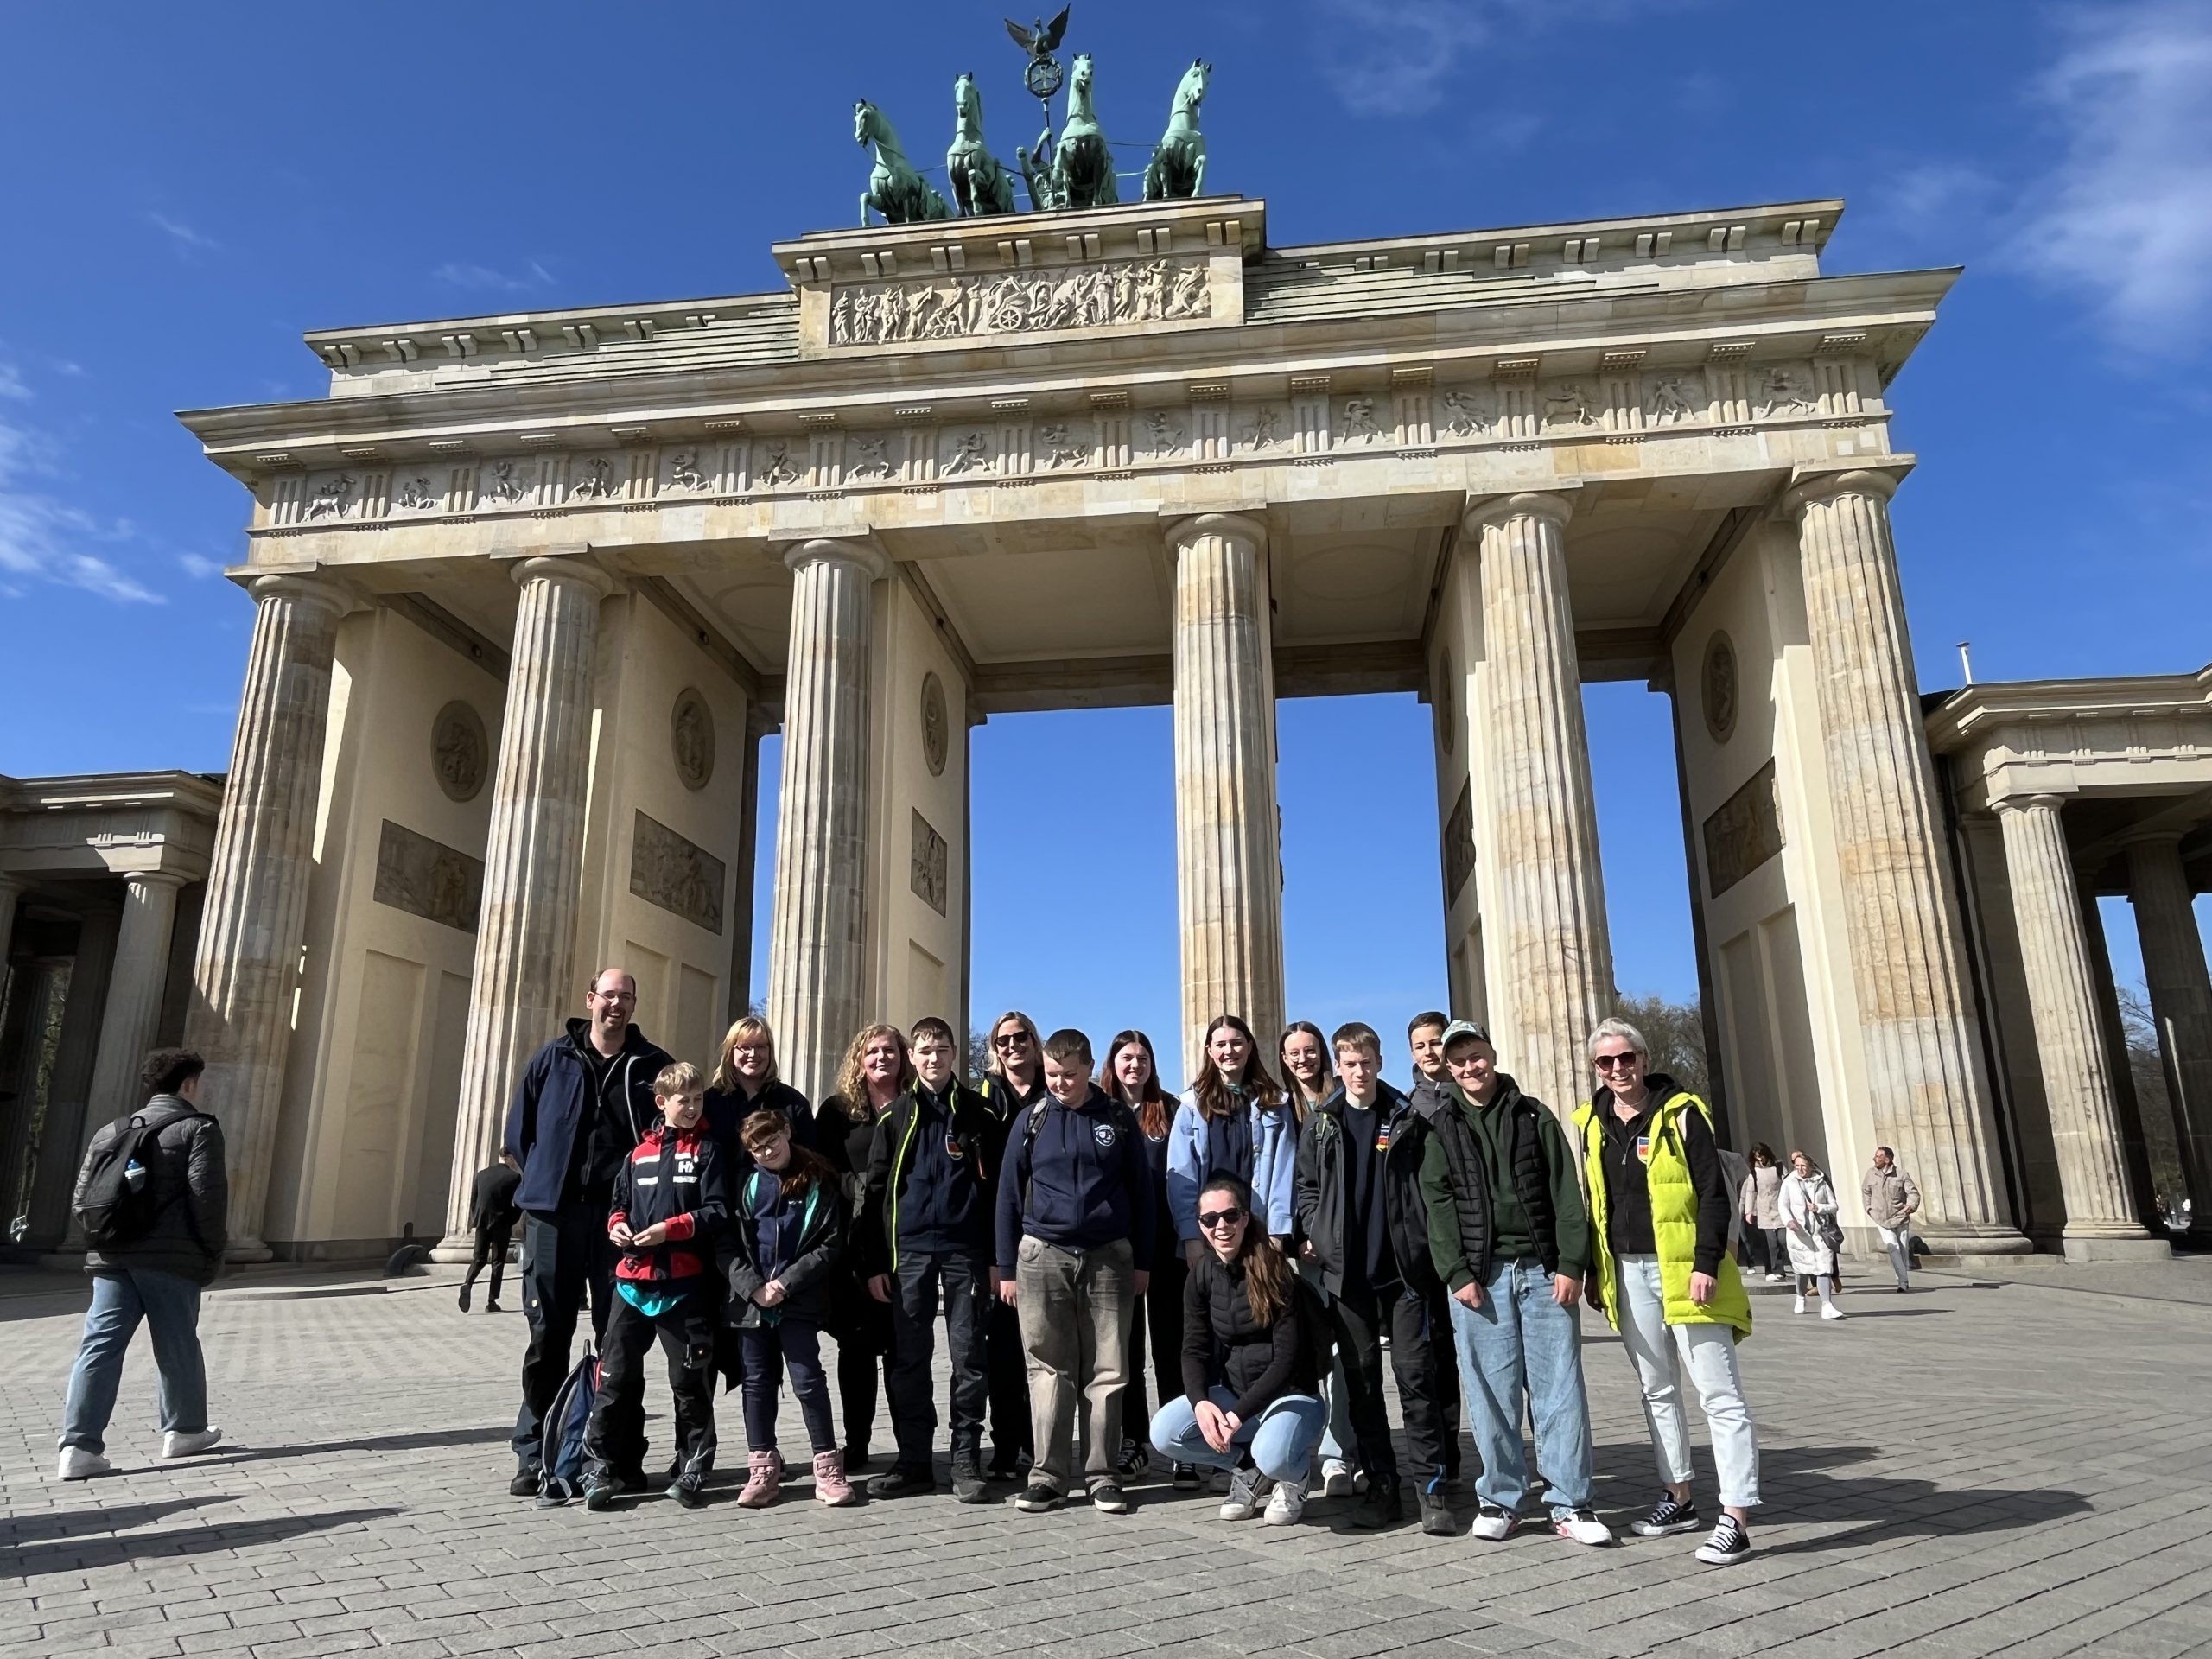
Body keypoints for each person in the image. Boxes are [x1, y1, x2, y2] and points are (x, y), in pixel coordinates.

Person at [1574, 1019, 1761, 1567]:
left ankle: (1736, 1515)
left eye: (1625, 1058)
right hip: (1627, 1270)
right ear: (1595, 1069)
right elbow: (1597, 1204)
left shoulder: (1681, 1112)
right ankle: (1678, 1496)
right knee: (1657, 1389)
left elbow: (1712, 1191)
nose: (1617, 1070)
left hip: (1684, 1267)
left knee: (1718, 1394)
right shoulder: (1591, 1122)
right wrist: (1594, 1270)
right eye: (1605, 1062)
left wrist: (1706, 1263)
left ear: (1644, 1057)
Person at [1418, 1020, 1612, 1546]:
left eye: (1475, 1056)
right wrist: (1456, 1273)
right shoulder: (1441, 1126)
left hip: (1543, 1272)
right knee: (1491, 1393)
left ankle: (1571, 1503)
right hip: (1481, 1280)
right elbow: (1436, 1206)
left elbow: (1565, 1191)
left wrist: (1573, 1263)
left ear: (1492, 1055)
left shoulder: (1535, 1116)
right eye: (1457, 1060)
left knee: (1560, 1391)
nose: (1468, 1068)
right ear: (1448, 1067)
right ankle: (1500, 1498)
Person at [501, 968, 673, 1497]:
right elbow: (519, 1133)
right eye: (608, 995)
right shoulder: (550, 1059)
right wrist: (545, 1182)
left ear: (634, 1004)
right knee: (546, 1334)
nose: (616, 1005)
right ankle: (537, 1453)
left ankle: (619, 1454)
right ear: (590, 1000)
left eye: (626, 996)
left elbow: (667, 1141)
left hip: (620, 1222)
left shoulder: (652, 1067)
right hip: (554, 1216)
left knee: (621, 1339)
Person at [1293, 1021, 1452, 1533]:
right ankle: (1383, 1484)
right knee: (1361, 1385)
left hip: (1403, 1274)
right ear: (1337, 1067)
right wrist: (1317, 1230)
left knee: (1416, 1381)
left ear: (1380, 1063)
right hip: (1347, 1278)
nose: (1358, 1072)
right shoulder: (1321, 1123)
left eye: (1366, 1062)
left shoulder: (1406, 1118)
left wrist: (1426, 1246)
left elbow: (1432, 1187)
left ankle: (1431, 1488)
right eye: (1349, 1064)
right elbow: (1306, 1188)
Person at [995, 1027, 1155, 1515]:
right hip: (1043, 1254)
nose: (1059, 1084)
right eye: (1051, 1075)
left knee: (1108, 1369)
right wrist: (1005, 1267)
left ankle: (1103, 1474)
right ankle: (1047, 1476)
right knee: (1047, 1367)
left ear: (1089, 1069)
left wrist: (1143, 1260)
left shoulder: (1116, 1120)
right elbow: (1007, 1193)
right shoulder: (1032, 1120)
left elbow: (1142, 1193)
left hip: (1109, 1256)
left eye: (1068, 1075)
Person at [57, 1047, 228, 1481]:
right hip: (171, 1257)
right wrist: (211, 1252)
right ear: (189, 1084)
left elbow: (82, 1200)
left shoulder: (108, 1133)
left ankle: (78, 1447)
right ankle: (183, 1430)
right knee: (176, 1343)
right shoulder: (197, 1129)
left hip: (111, 1256)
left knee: (99, 1347)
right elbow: (207, 1198)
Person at [860, 1016, 1007, 1503]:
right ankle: (915, 1460)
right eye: (924, 1050)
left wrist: (995, 1258)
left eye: (942, 1049)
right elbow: (876, 1195)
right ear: (913, 1057)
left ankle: (966, 1456)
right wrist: (876, 1262)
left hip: (966, 1251)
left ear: (954, 1055)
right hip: (911, 1254)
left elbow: (996, 1194)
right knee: (908, 1360)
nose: (933, 1058)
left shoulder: (980, 1113)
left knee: (969, 1357)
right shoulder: (895, 1117)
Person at [580, 1062, 730, 1510]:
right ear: (662, 1103)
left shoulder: (709, 1152)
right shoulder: (636, 1155)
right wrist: (618, 1226)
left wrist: (672, 1229)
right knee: (615, 1379)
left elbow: (719, 1211)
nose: (692, 1107)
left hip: (684, 1285)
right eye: (684, 1100)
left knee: (689, 1383)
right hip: (630, 1285)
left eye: (698, 1099)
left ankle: (692, 1469)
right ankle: (599, 1469)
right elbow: (618, 1205)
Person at [1149, 1175, 1327, 1526]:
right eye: (1209, 1219)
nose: (1221, 1227)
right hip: (1237, 1394)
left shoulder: (1276, 1271)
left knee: (1272, 1454)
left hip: (1291, 1397)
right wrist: (1201, 1402)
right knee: (1165, 1432)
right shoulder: (1201, 1274)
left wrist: (1236, 1416)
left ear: (1245, 1218)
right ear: (1200, 1225)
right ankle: (1246, 1470)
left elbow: (1287, 1360)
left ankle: (1293, 1477)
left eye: (1230, 1216)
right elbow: (1193, 1349)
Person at [729, 1108, 855, 1508]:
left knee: (808, 1381)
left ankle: (828, 1466)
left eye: (772, 1142)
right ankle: (763, 1467)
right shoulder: (745, 1185)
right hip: (752, 1302)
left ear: (787, 1133)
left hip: (798, 1299)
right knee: (757, 1383)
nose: (766, 1152)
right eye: (757, 1148)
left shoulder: (818, 1181)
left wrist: (785, 1284)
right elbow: (728, 1247)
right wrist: (754, 1288)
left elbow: (829, 1245)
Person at [809, 1023, 906, 1470]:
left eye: (890, 1050)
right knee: (857, 1351)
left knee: (907, 1352)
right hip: (855, 1245)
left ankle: (912, 1445)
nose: (882, 1058)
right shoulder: (837, 1111)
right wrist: (858, 1186)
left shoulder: (916, 1104)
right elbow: (820, 1166)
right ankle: (859, 1442)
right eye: (873, 1051)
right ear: (859, 1059)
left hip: (906, 1241)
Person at [1101, 1028, 1184, 1485]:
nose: (1134, 1065)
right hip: (1115, 1251)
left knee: (1172, 1346)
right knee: (1124, 1351)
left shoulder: (1169, 1110)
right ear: (1112, 1063)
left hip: (1166, 1250)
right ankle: (1133, 1439)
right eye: (1126, 1057)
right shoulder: (1099, 1109)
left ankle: (1179, 1440)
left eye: (1142, 1057)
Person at [975, 1007, 1046, 1483]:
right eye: (1003, 1041)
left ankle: (1041, 1445)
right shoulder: (981, 1097)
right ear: (994, 1049)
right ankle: (1005, 1445)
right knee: (1001, 1350)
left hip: (1050, 1233)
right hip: (997, 1236)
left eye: (1021, 1037)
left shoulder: (1056, 1087)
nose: (1012, 1046)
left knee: (1047, 1350)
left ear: (1035, 1042)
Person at [1168, 1014, 1299, 1253]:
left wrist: (1278, 1232)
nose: (1229, 1050)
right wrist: (1191, 1236)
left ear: (1250, 1047)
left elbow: (1284, 1173)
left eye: (1237, 1042)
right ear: (1209, 1051)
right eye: (1220, 1045)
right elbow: (1181, 1178)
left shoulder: (1275, 1103)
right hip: (1209, 1234)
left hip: (1260, 1232)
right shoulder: (1190, 1106)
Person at [703, 1014, 812, 1170]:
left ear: (770, 1051)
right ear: (730, 1052)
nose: (753, 1054)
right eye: (745, 1047)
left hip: (781, 1192)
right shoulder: (709, 1103)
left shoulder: (793, 1103)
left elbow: (809, 1159)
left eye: (761, 1046)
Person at [1781, 1151, 1847, 1319]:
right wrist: (1789, 1222)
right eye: (1797, 1166)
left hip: (1820, 1232)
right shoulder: (1789, 1182)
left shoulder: (1821, 1182)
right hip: (1799, 1234)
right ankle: (1800, 1297)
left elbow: (1834, 1206)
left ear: (1810, 1166)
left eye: (1803, 1166)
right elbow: (1783, 1205)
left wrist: (1819, 1208)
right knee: (1801, 1269)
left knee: (1824, 1268)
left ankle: (1827, 1305)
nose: (1800, 1169)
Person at [459, 1154, 520, 1313]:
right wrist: (511, 1219)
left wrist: (476, 1218)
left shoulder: (482, 1174)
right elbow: (519, 1203)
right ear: (510, 1158)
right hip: (502, 1224)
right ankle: (491, 1301)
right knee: (498, 1261)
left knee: (478, 1258)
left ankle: (468, 1283)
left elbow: (473, 1199)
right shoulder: (514, 1177)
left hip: (482, 1222)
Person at [1862, 1147, 1921, 1292]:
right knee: (1892, 1247)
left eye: (1878, 1156)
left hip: (1900, 1217)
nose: (1874, 1158)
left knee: (1902, 1249)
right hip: (1880, 1218)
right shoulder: (1871, 1174)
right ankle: (1902, 1281)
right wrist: (1868, 1208)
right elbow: (1866, 1191)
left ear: (1887, 1159)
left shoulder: (1901, 1174)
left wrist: (1911, 1206)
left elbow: (1913, 1193)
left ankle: (1902, 1279)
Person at [1741, 1145, 1789, 1283]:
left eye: (1761, 1155)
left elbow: (1787, 1185)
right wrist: (1749, 1212)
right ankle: (1775, 1270)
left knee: (1782, 1240)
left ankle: (1780, 1268)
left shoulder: (1779, 1168)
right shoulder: (1753, 1173)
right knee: (1771, 1242)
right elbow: (1751, 1193)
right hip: (1763, 1211)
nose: (1759, 1158)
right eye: (1756, 1156)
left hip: (1779, 1208)